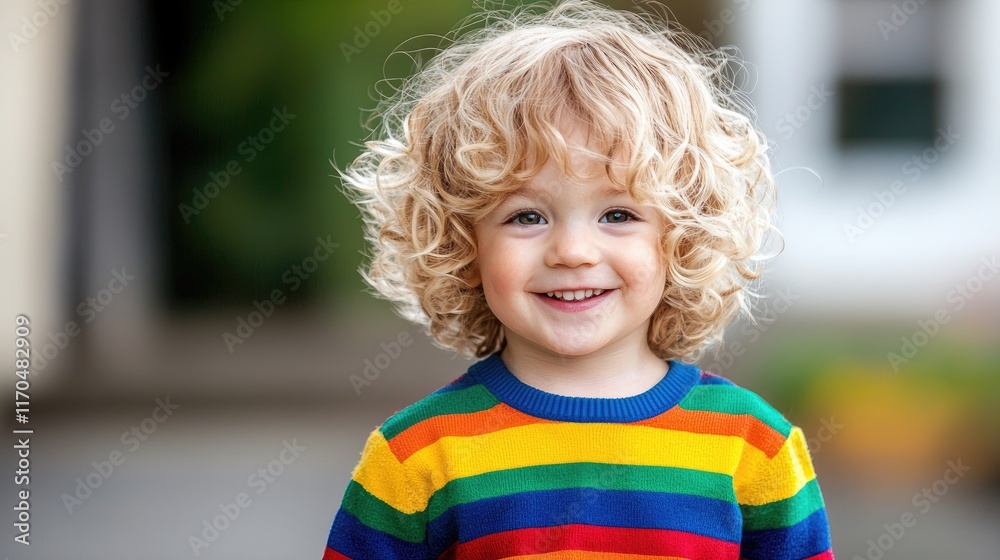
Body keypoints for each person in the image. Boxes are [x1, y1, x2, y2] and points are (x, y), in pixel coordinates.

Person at [321, 0, 834, 558]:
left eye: (618, 214)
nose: (571, 251)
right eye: (526, 216)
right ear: (461, 244)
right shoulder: (415, 457)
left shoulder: (754, 448)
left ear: (682, 237)